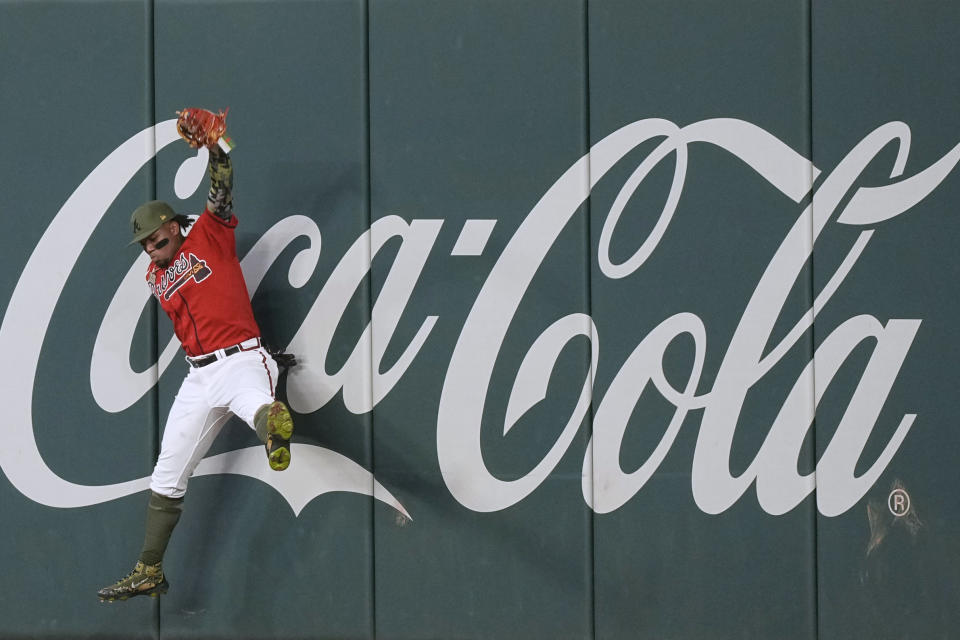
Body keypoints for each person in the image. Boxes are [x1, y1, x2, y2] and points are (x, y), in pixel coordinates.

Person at [97, 136, 294, 602]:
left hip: (242, 357)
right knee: (166, 474)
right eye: (144, 242)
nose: (149, 246)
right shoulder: (155, 275)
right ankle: (148, 570)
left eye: (155, 236)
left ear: (173, 226)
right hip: (199, 376)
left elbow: (220, 194)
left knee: (258, 407)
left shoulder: (210, 233)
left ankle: (276, 431)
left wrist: (219, 151)